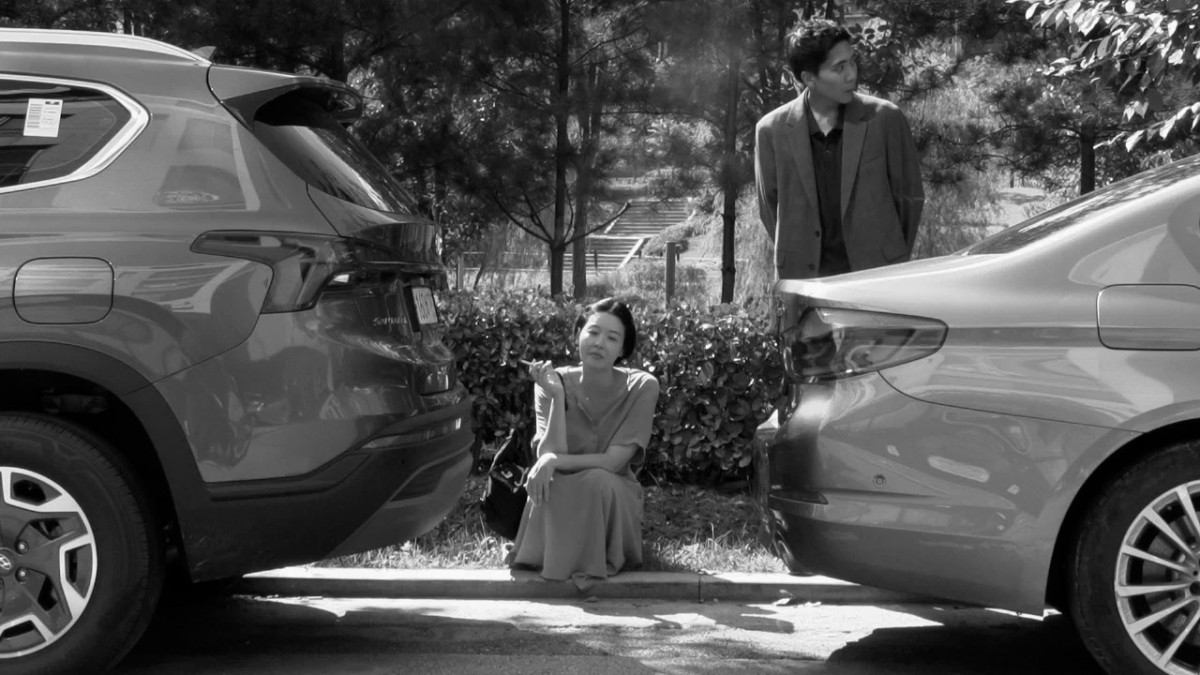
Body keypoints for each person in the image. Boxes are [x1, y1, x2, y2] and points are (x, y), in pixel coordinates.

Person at [507, 298, 659, 590]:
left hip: (612, 487)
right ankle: (554, 559)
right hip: (561, 482)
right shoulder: (552, 382)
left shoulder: (643, 386)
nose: (599, 343)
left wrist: (553, 461)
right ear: (578, 334)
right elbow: (549, 452)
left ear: (623, 349)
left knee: (596, 480)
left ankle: (580, 560)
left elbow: (613, 462)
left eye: (612, 338)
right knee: (553, 483)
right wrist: (557, 396)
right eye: (593, 332)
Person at [755, 18, 924, 280]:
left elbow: (909, 199)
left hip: (877, 275)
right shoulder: (771, 131)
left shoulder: (885, 119)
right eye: (840, 67)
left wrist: (887, 255)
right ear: (809, 78)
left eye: (852, 62)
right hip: (804, 280)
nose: (852, 75)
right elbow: (770, 209)